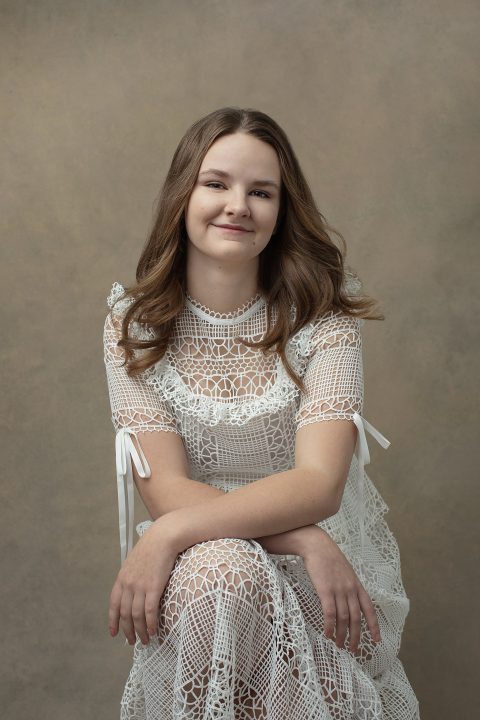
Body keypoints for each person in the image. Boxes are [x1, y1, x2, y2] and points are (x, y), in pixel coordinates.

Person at [103, 106, 420, 718]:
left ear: (282, 211)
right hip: (206, 558)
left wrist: (307, 542)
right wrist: (299, 536)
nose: (238, 205)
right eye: (216, 183)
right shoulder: (133, 325)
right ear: (182, 195)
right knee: (221, 572)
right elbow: (166, 491)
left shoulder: (324, 321)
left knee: (221, 574)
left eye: (261, 192)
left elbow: (318, 485)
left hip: (322, 576)